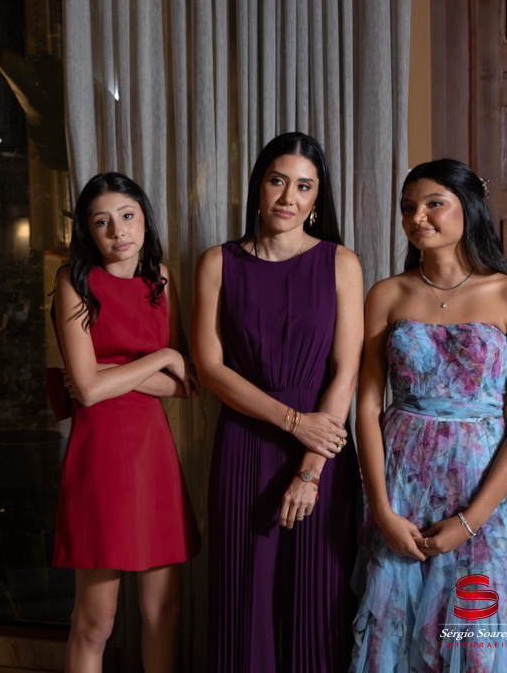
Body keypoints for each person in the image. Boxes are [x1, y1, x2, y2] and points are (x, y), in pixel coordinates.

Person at [349, 159, 507, 671]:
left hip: (481, 489)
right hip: (402, 485)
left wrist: (471, 520)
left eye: (434, 204)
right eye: (408, 207)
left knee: (479, 636)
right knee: (398, 632)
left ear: (469, 208)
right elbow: (368, 408)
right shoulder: (387, 294)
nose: (418, 217)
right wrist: (382, 510)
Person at [193, 132, 363, 672]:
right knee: (243, 599)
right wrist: (293, 421)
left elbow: (346, 371)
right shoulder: (217, 262)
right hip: (245, 443)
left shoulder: (341, 262)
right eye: (278, 181)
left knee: (317, 598)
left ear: (317, 199)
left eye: (304, 186)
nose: (289, 197)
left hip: (323, 450)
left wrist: (310, 468)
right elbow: (210, 368)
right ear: (259, 186)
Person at [53, 171, 200, 673]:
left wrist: (108, 371)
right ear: (88, 232)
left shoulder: (160, 279)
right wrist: (161, 356)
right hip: (101, 452)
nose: (118, 231)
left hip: (153, 451)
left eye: (127, 215)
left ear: (144, 219)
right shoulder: (73, 282)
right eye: (102, 222)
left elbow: (186, 385)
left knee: (164, 611)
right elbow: (88, 391)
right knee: (97, 619)